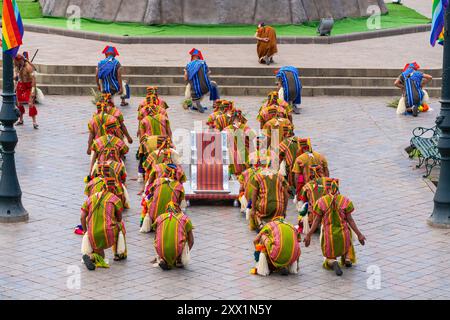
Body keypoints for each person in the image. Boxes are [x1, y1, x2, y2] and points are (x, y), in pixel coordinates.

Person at [304, 181, 366, 276]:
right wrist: (359, 235)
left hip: (329, 237)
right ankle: (347, 258)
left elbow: (316, 221)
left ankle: (333, 262)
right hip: (343, 235)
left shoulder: (321, 201)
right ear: (338, 190)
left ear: (327, 190)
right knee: (348, 244)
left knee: (329, 257)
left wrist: (309, 235)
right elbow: (350, 220)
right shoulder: (344, 200)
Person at [80, 182, 127, 271]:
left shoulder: (91, 198)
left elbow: (82, 217)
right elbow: (119, 219)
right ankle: (119, 254)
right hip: (109, 232)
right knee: (121, 226)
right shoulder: (115, 199)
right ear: (113, 189)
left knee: (99, 252)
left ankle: (91, 257)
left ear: (102, 187)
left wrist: (85, 231)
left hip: (93, 233)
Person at [140, 167, 186, 233]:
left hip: (154, 214)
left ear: (165, 172)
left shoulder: (157, 181)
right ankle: (173, 224)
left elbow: (151, 192)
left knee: (147, 200)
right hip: (171, 214)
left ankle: (150, 223)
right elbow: (181, 203)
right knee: (177, 206)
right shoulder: (179, 186)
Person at [152, 202, 194, 270]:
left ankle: (163, 258)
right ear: (179, 210)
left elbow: (155, 238)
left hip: (161, 250)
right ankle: (179, 259)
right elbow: (191, 241)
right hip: (177, 249)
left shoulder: (160, 217)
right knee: (185, 236)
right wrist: (184, 255)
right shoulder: (184, 218)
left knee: (161, 238)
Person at [249, 163, 289, 232]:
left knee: (254, 210)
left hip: (264, 208)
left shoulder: (257, 176)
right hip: (278, 207)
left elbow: (254, 195)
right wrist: (284, 210)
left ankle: (260, 224)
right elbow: (286, 195)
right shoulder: (280, 176)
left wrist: (253, 209)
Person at [183, 48, 220, 113]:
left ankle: (191, 102)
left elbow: (185, 78)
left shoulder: (188, 65)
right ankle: (215, 103)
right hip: (205, 88)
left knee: (188, 87)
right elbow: (208, 73)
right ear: (199, 56)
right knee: (214, 84)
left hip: (194, 91)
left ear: (192, 57)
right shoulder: (203, 63)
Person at [14, 53, 39, 129]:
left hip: (29, 85)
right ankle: (21, 120)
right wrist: (15, 78)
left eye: (17, 61)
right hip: (21, 85)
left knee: (30, 103)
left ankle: (34, 122)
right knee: (19, 103)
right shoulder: (17, 66)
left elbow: (34, 80)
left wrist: (33, 91)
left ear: (21, 60)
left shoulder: (28, 67)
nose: (15, 62)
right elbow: (15, 77)